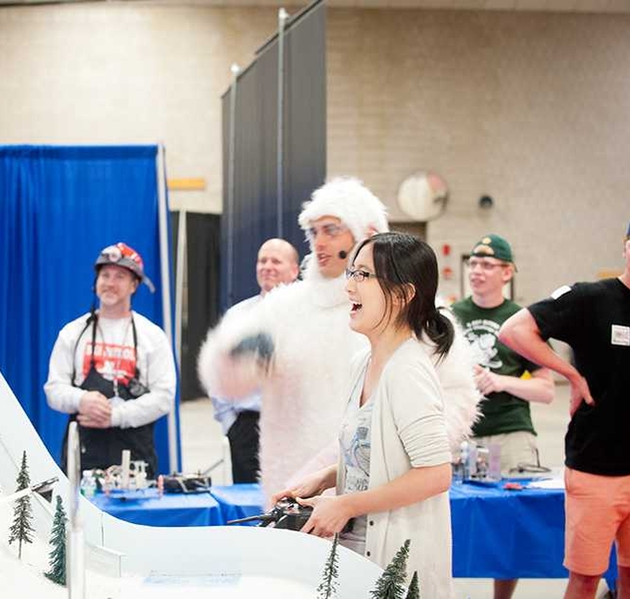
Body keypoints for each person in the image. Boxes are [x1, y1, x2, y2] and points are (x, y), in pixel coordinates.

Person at [198, 177, 480, 499]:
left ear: (368, 233)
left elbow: (456, 397)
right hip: (294, 496)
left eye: (331, 230)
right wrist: (235, 360)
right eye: (314, 232)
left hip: (385, 496)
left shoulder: (415, 311)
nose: (319, 242)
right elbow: (226, 381)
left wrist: (393, 456)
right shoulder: (284, 308)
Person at [274, 232, 455, 598]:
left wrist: (347, 504)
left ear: (404, 294)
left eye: (363, 276)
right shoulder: (364, 362)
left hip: (396, 560)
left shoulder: (407, 371)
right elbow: (380, 457)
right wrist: (328, 478)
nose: (350, 287)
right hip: (357, 556)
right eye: (351, 273)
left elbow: (435, 474)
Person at [499, 211, 630, 599]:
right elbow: (514, 331)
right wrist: (572, 375)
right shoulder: (593, 298)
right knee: (585, 580)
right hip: (596, 470)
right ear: (625, 248)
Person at [451, 235, 554, 599]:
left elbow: (546, 390)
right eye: (473, 264)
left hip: (509, 435)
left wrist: (502, 381)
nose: (477, 271)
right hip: (463, 438)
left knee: (507, 523)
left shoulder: (520, 321)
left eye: (487, 265)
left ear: (507, 272)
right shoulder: (452, 316)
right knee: (455, 520)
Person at [44, 242, 176, 476]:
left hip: (135, 459)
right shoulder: (72, 333)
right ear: (96, 283)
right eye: (105, 275)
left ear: (134, 285)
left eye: (120, 277)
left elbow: (164, 397)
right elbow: (53, 390)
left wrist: (116, 416)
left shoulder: (152, 336)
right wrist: (82, 399)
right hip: (82, 458)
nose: (110, 283)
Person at [210, 238, 300, 483]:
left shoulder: (310, 316)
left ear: (294, 270)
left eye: (276, 261)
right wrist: (230, 424)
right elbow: (218, 372)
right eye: (262, 260)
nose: (267, 266)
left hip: (297, 424)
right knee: (250, 510)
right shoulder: (237, 316)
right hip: (248, 429)